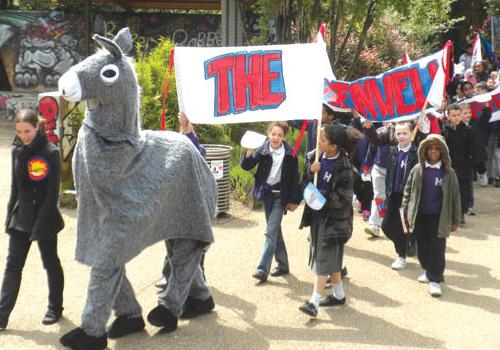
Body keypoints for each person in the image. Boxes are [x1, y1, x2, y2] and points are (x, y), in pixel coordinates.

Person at [0, 108, 65, 329]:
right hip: (22, 217)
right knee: (12, 266)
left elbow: (52, 195)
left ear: (37, 127)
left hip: (45, 217)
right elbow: (15, 188)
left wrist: (40, 225)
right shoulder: (17, 150)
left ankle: (55, 308)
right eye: (19, 131)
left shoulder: (50, 152)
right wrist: (10, 217)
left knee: (50, 263)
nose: (23, 136)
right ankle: (1, 316)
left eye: (27, 131)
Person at [298, 124, 354, 317]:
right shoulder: (316, 157)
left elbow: (344, 200)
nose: (318, 142)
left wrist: (323, 200)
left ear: (334, 146)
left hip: (334, 221)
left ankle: (314, 302)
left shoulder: (345, 168)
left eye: (322, 140)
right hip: (316, 217)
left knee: (323, 258)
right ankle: (338, 295)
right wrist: (310, 171)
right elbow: (304, 182)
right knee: (330, 258)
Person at [241, 121, 302, 283]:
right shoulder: (262, 150)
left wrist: (294, 200)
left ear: (284, 137)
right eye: (273, 134)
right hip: (267, 195)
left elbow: (295, 178)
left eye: (280, 135)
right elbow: (246, 166)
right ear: (269, 134)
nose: (276, 137)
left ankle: (262, 269)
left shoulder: (290, 154)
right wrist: (249, 149)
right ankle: (283, 265)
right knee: (274, 231)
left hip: (280, 197)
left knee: (270, 232)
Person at [401, 134, 461, 297]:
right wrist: (405, 208)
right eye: (430, 149)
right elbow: (408, 189)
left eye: (437, 149)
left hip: (439, 217)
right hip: (420, 216)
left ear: (443, 152)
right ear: (424, 151)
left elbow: (455, 197)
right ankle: (428, 270)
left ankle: (435, 279)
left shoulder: (449, 173)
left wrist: (456, 218)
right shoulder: (417, 170)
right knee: (423, 248)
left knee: (437, 248)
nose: (433, 152)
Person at [155, 112, 207, 291]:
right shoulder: (172, 148)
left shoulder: (199, 149)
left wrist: (189, 131)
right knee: (171, 240)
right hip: (174, 204)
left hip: (193, 205)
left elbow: (195, 155)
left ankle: (199, 278)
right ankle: (168, 275)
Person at [381, 122, 418, 270]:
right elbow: (389, 173)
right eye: (398, 133)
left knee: (402, 226)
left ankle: (401, 256)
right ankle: (406, 242)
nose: (401, 136)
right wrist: (387, 191)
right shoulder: (393, 151)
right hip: (393, 194)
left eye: (405, 133)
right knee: (386, 226)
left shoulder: (416, 152)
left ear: (411, 134)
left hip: (406, 196)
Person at [442, 104, 475, 225]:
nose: (456, 118)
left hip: (464, 167)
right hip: (450, 167)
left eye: (458, 115)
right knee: (449, 192)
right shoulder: (445, 132)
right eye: (453, 115)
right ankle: (450, 215)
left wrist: (470, 163)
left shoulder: (468, 131)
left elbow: (472, 149)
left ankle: (460, 215)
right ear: (448, 117)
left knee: (463, 192)